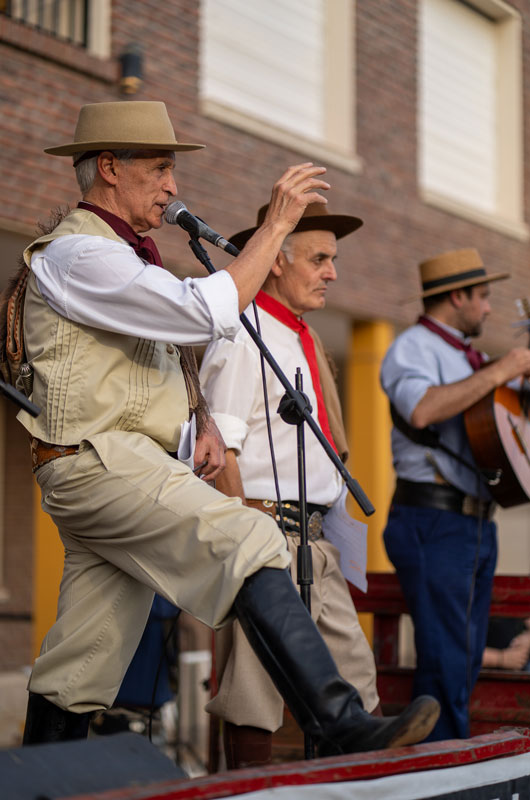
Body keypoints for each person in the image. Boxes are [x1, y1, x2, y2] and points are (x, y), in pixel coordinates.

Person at [16, 100, 440, 755]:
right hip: (101, 460)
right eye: (160, 168)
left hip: (110, 463)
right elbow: (199, 311)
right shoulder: (80, 253)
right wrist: (276, 225)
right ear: (109, 167)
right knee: (251, 536)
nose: (172, 186)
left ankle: (39, 780)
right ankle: (337, 722)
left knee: (83, 659)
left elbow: (156, 357)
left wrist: (203, 418)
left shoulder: (121, 259)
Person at [200, 202, 382, 769]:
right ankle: (245, 791)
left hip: (317, 540)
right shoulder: (242, 332)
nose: (332, 272)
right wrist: (245, 540)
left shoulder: (304, 339)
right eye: (319, 259)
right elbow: (219, 446)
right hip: (265, 535)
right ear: (276, 261)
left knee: (358, 684)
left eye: (333, 259)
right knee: (253, 692)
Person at [380, 248, 530, 742]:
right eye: (483, 296)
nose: (488, 308)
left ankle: (445, 761)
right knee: (446, 659)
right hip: (433, 519)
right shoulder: (413, 348)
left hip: (472, 522)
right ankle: (443, 768)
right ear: (458, 296)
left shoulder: (471, 358)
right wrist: (500, 371)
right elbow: (422, 410)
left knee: (462, 660)